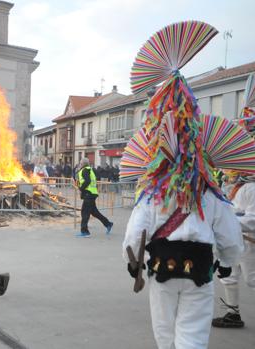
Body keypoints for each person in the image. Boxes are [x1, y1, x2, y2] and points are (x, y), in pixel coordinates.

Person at [121, 21, 245, 349]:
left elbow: (134, 237)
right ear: (198, 148)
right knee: (192, 334)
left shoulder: (152, 194)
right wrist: (229, 261)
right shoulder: (211, 194)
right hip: (201, 269)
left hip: (162, 269)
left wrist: (131, 260)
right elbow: (230, 240)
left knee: (165, 333)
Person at [212, 177, 255, 328]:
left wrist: (229, 222)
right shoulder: (234, 187)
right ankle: (233, 313)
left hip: (249, 241)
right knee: (229, 276)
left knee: (252, 278)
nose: (226, 174)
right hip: (234, 240)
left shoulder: (251, 188)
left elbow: (253, 219)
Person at [76, 157, 113, 237]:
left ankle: (85, 232)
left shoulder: (85, 170)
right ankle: (108, 224)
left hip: (88, 194)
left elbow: (87, 181)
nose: (79, 164)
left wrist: (81, 188)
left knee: (85, 212)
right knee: (95, 212)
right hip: (92, 193)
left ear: (82, 164)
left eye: (80, 163)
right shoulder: (91, 169)